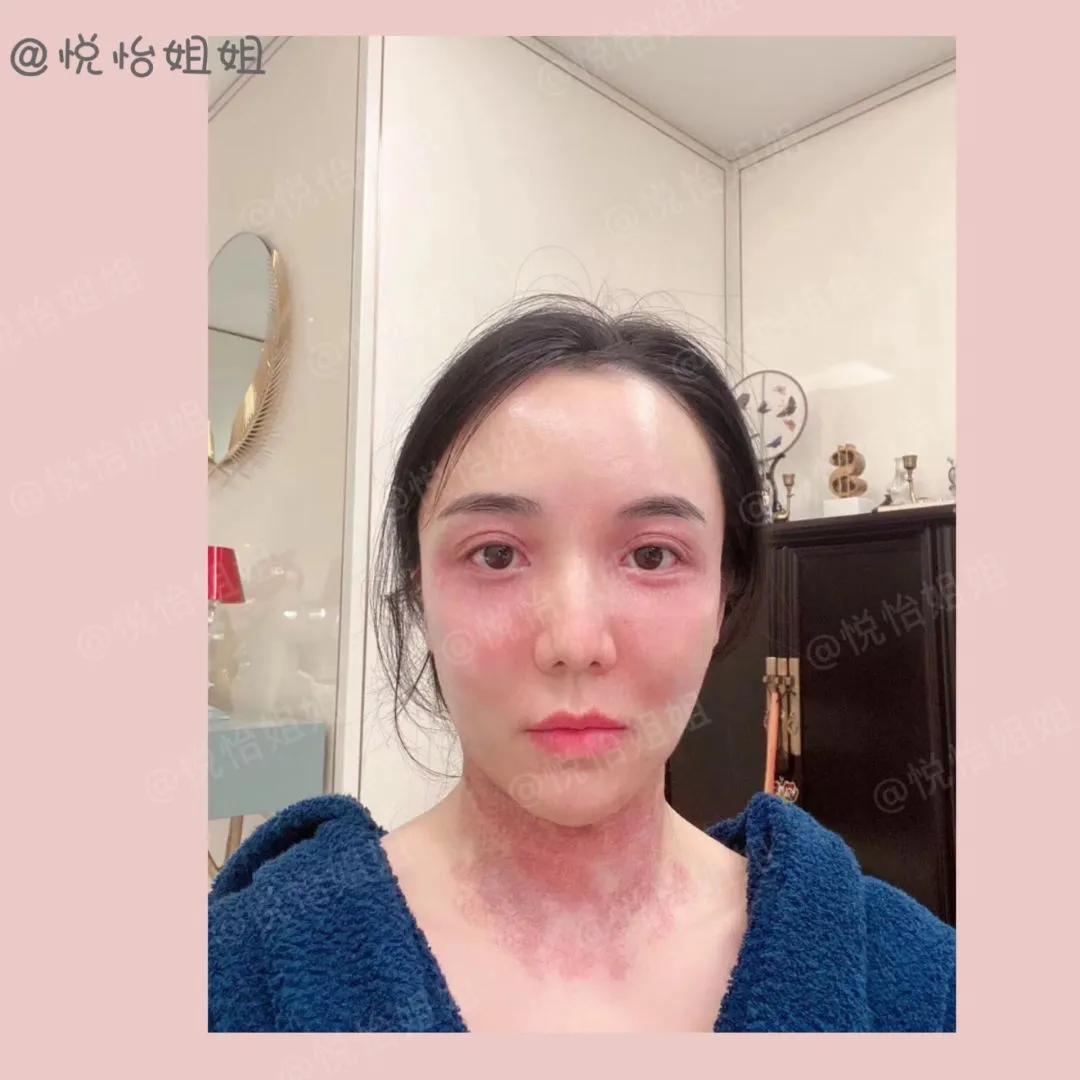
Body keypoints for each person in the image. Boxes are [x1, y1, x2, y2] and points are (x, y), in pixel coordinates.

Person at [208, 295, 955, 1033]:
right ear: (419, 594)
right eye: (495, 555)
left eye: (653, 555)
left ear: (725, 595)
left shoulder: (923, 985)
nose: (574, 640)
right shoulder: (237, 975)